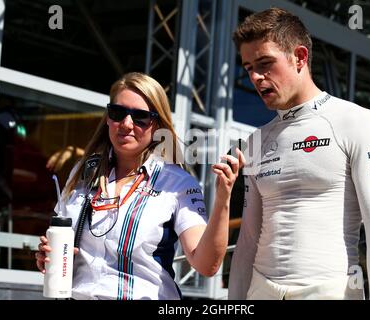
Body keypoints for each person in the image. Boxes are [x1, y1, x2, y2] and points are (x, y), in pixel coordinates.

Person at [228, 8, 370, 300]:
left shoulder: (355, 120)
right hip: (261, 290)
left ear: (300, 57)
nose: (256, 77)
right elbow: (247, 241)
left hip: (330, 290)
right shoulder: (255, 141)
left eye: (265, 63)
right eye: (248, 68)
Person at [35, 72, 242, 300]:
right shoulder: (83, 172)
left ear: (158, 125)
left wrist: (223, 198)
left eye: (140, 117)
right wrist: (47, 254)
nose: (126, 124)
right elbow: (62, 244)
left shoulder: (177, 183)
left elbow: (206, 265)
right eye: (117, 113)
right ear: (107, 117)